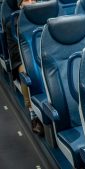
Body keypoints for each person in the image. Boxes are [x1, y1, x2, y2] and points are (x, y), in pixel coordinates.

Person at [5, 0, 43, 135]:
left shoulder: (44, 16)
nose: (31, 2)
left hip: (43, 56)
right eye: (27, 0)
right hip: (23, 59)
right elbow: (15, 51)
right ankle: (33, 113)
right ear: (20, 5)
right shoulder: (12, 22)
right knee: (26, 72)